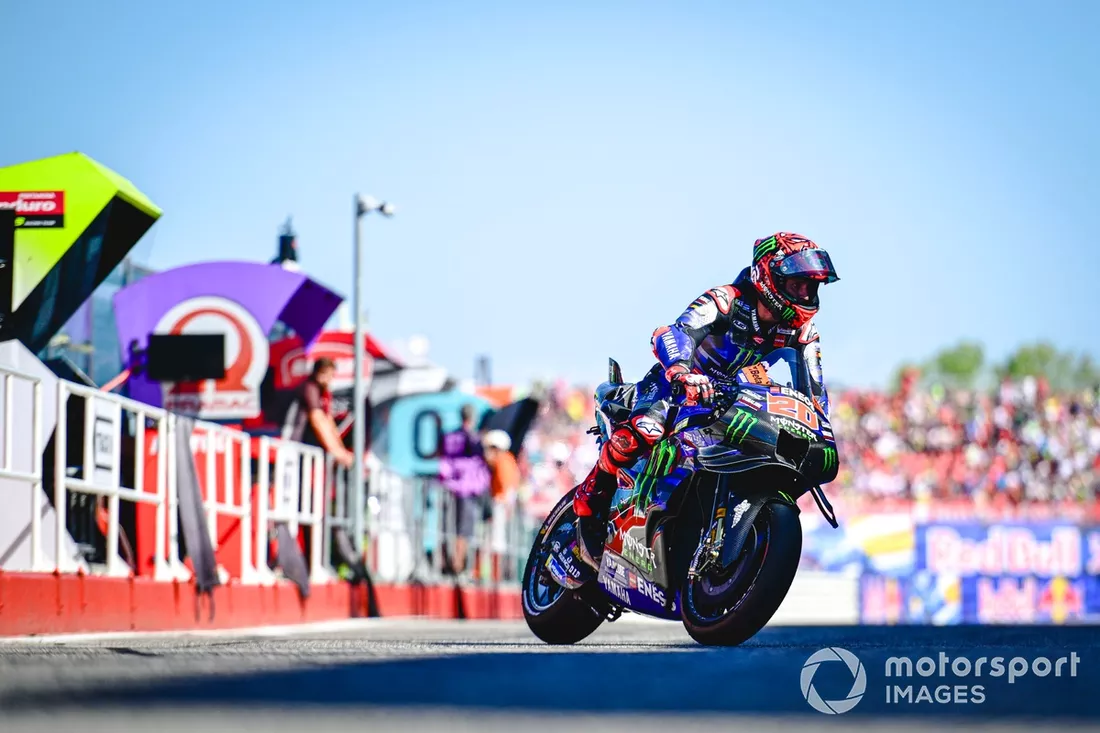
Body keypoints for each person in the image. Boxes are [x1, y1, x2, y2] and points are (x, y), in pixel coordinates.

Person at [572, 232, 840, 570]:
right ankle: (592, 498)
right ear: (768, 276)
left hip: (733, 401)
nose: (804, 294)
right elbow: (676, 332)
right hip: (678, 385)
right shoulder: (726, 300)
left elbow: (814, 393)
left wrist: (818, 431)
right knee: (647, 429)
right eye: (796, 284)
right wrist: (682, 372)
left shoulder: (804, 334)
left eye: (809, 287)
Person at [438, 404, 491, 578]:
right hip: (467, 489)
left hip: (449, 486)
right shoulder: (474, 439)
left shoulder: (450, 436)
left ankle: (447, 563)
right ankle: (457, 565)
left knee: (448, 526)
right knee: (464, 530)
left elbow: (444, 460)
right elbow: (480, 462)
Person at [283, 357, 355, 468]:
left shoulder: (323, 393)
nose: (329, 379)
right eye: (327, 375)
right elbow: (318, 420)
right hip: (293, 443)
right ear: (318, 373)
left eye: (331, 376)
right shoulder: (310, 388)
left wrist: (341, 450)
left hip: (303, 447)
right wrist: (338, 453)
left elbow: (329, 423)